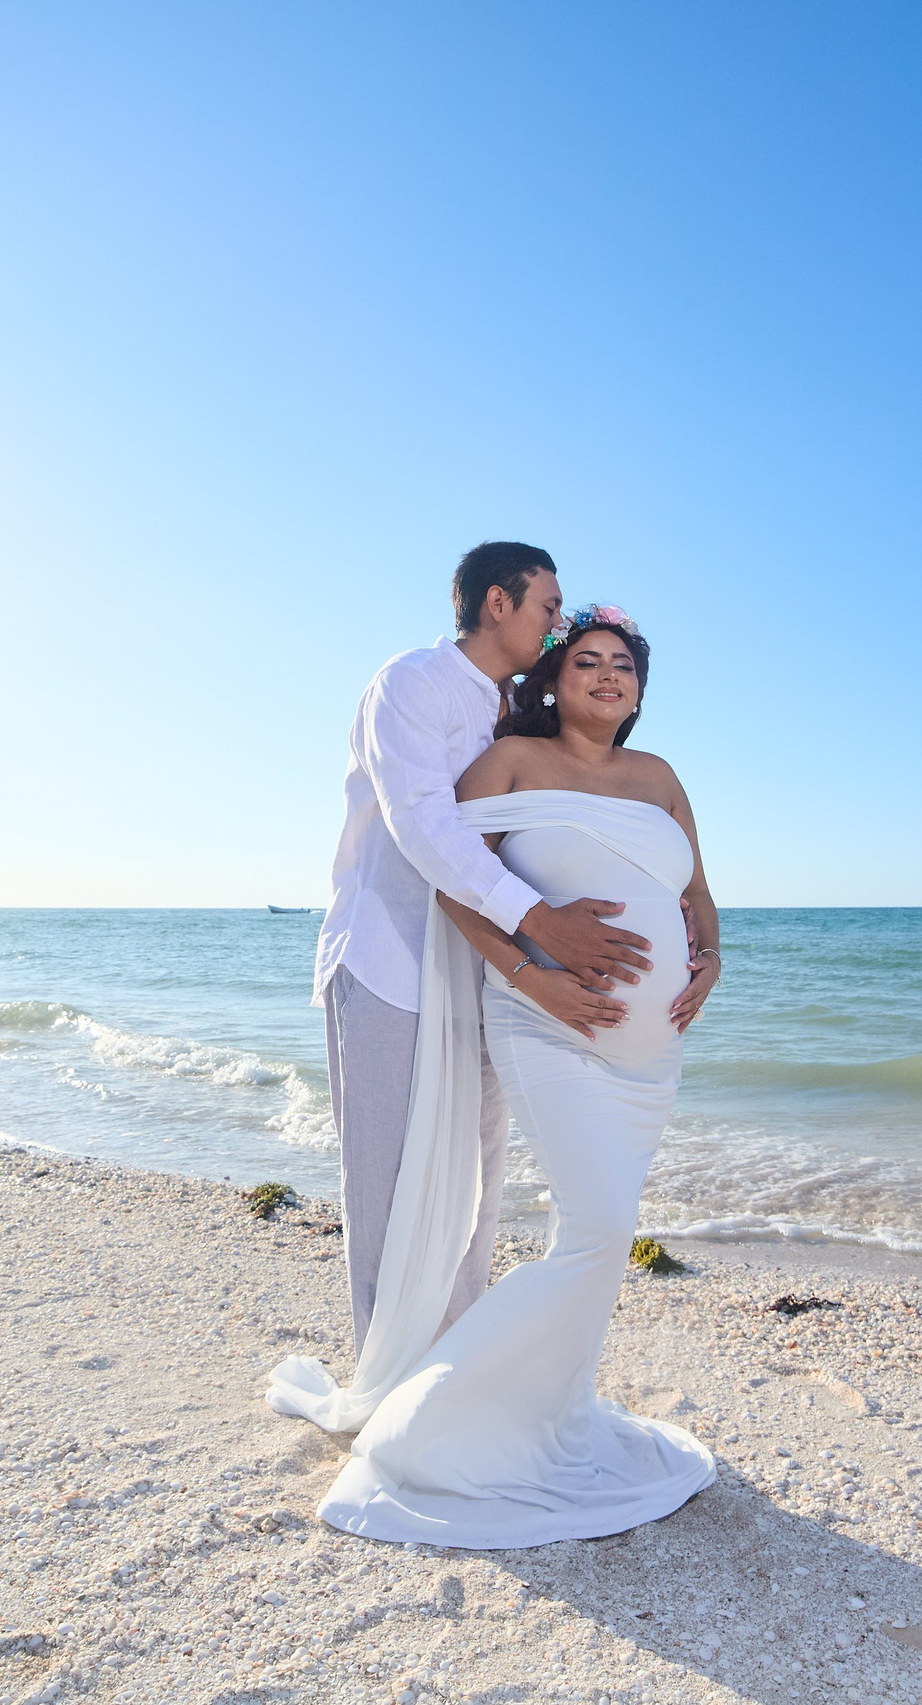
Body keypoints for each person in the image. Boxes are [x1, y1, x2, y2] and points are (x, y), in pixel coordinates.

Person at [273, 605, 725, 1547]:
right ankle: (431, 1420)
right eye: (587, 660)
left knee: (601, 1235)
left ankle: (545, 1413)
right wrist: (533, 975)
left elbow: (695, 889)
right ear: (554, 681)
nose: (607, 675)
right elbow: (450, 878)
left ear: (639, 692)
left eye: (623, 668)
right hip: (549, 1029)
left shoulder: (661, 777)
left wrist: (711, 958)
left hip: (650, 1056)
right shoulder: (509, 764)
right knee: (597, 1233)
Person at [302, 543, 657, 1365]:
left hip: (481, 971)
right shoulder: (411, 685)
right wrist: (545, 923)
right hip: (389, 960)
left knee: (473, 1188)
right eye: (548, 605)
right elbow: (425, 829)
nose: (557, 622)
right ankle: (386, 1387)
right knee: (388, 1189)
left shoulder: (511, 712)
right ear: (498, 603)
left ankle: (452, 1377)